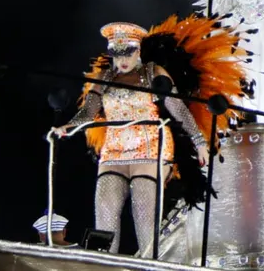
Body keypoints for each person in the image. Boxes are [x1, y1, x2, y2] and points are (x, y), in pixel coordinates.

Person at [53, 22, 210, 256]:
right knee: (105, 207)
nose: (123, 59)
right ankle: (107, 266)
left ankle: (150, 265)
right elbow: (89, 111)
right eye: (117, 54)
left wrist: (199, 141)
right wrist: (70, 125)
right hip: (115, 148)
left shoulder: (152, 72)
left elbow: (177, 108)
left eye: (128, 52)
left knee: (143, 209)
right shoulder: (104, 77)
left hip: (150, 146)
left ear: (138, 51)